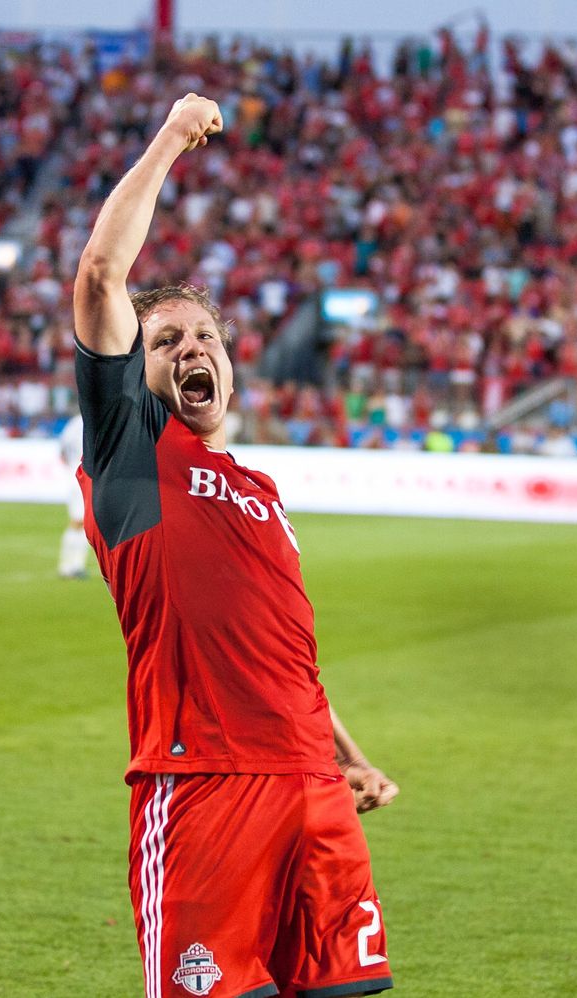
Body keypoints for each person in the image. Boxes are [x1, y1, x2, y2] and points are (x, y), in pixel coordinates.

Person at [73, 94, 399, 998]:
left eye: (204, 335)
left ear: (230, 357)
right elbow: (102, 273)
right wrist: (174, 136)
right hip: (206, 787)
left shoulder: (264, 494)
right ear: (134, 375)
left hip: (314, 791)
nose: (189, 348)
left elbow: (287, 653)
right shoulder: (131, 457)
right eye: (165, 339)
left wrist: (346, 757)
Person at [57, 411, 92, 578]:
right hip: (84, 477)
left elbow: (62, 452)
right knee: (80, 523)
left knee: (79, 522)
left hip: (71, 476)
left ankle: (70, 565)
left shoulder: (71, 424)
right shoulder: (91, 421)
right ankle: (71, 565)